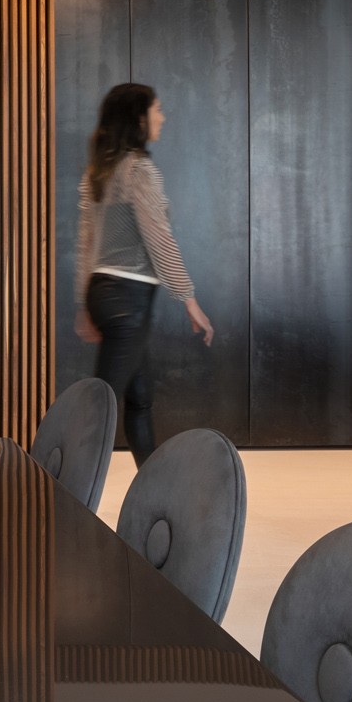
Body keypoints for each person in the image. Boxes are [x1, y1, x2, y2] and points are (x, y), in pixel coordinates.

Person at [74, 82, 214, 461]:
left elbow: (87, 242)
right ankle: (61, 488)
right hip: (128, 298)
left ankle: (152, 482)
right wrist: (189, 300)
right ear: (139, 119)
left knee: (139, 398)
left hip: (104, 291)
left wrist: (86, 304)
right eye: (157, 110)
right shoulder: (139, 171)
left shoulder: (98, 172)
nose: (162, 117)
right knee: (101, 408)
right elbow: (159, 239)